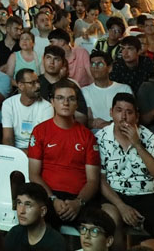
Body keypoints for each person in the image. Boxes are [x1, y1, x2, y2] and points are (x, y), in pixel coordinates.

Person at [96, 93, 154, 249]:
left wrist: (138, 145)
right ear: (111, 113)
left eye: (129, 112)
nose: (123, 117)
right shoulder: (100, 138)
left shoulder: (149, 138)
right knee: (110, 219)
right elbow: (100, 180)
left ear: (137, 117)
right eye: (119, 110)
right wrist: (121, 206)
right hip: (115, 196)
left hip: (148, 197)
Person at [29, 79, 101, 227]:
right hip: (48, 195)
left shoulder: (87, 136)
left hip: (79, 196)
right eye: (60, 98)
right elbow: (33, 174)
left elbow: (93, 180)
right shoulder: (40, 131)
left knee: (97, 227)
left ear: (76, 103)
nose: (66, 103)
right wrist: (53, 199)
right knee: (38, 222)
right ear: (52, 102)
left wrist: (78, 203)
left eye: (71, 99)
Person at [4, 183, 68, 251]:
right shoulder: (15, 233)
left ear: (43, 211)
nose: (21, 211)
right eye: (19, 203)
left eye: (28, 205)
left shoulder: (56, 242)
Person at [2, 68, 53, 149]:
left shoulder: (47, 107)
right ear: (21, 86)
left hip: (36, 151)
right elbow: (7, 139)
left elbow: (42, 142)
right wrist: (14, 155)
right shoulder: (8, 104)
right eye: (32, 83)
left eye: (38, 82)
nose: (38, 86)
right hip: (14, 151)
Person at [82, 51, 133, 130]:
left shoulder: (124, 89)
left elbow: (129, 118)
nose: (95, 67)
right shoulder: (85, 91)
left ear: (109, 68)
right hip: (96, 133)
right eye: (92, 64)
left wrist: (107, 125)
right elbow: (88, 121)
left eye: (100, 64)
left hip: (121, 131)